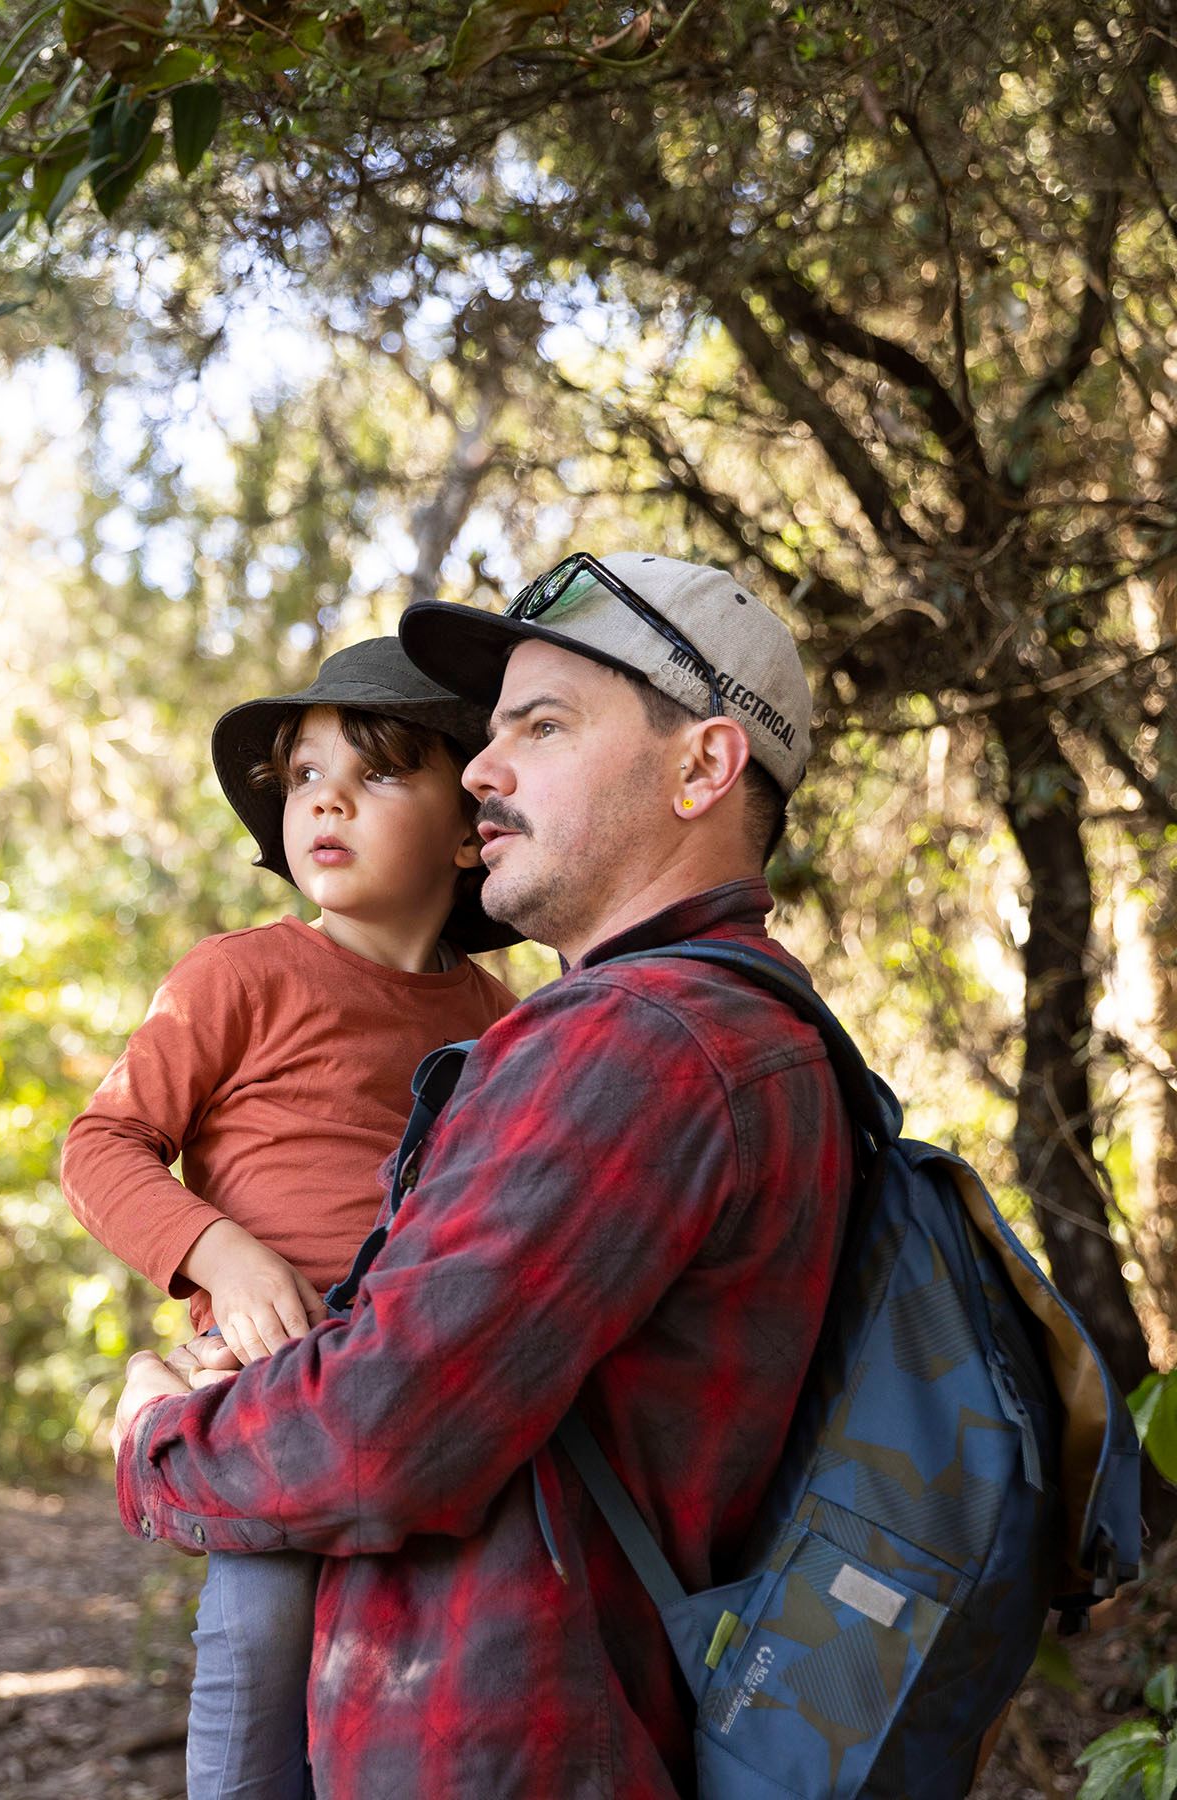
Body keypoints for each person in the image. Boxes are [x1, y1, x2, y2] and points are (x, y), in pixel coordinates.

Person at [111, 552, 855, 1799]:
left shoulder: (641, 1046)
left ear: (704, 766)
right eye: (489, 732)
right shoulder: (721, 1032)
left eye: (542, 725)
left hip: (499, 1740)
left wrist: (154, 1439)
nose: (486, 768)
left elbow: (379, 1436)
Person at [62, 637, 520, 1800]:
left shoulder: (500, 1024)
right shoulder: (239, 977)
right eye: (307, 775)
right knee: (263, 1629)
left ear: (469, 830)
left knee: (416, 1677)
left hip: (410, 1399)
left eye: (377, 775)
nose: (326, 797)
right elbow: (99, 1146)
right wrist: (220, 1249)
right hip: (266, 1394)